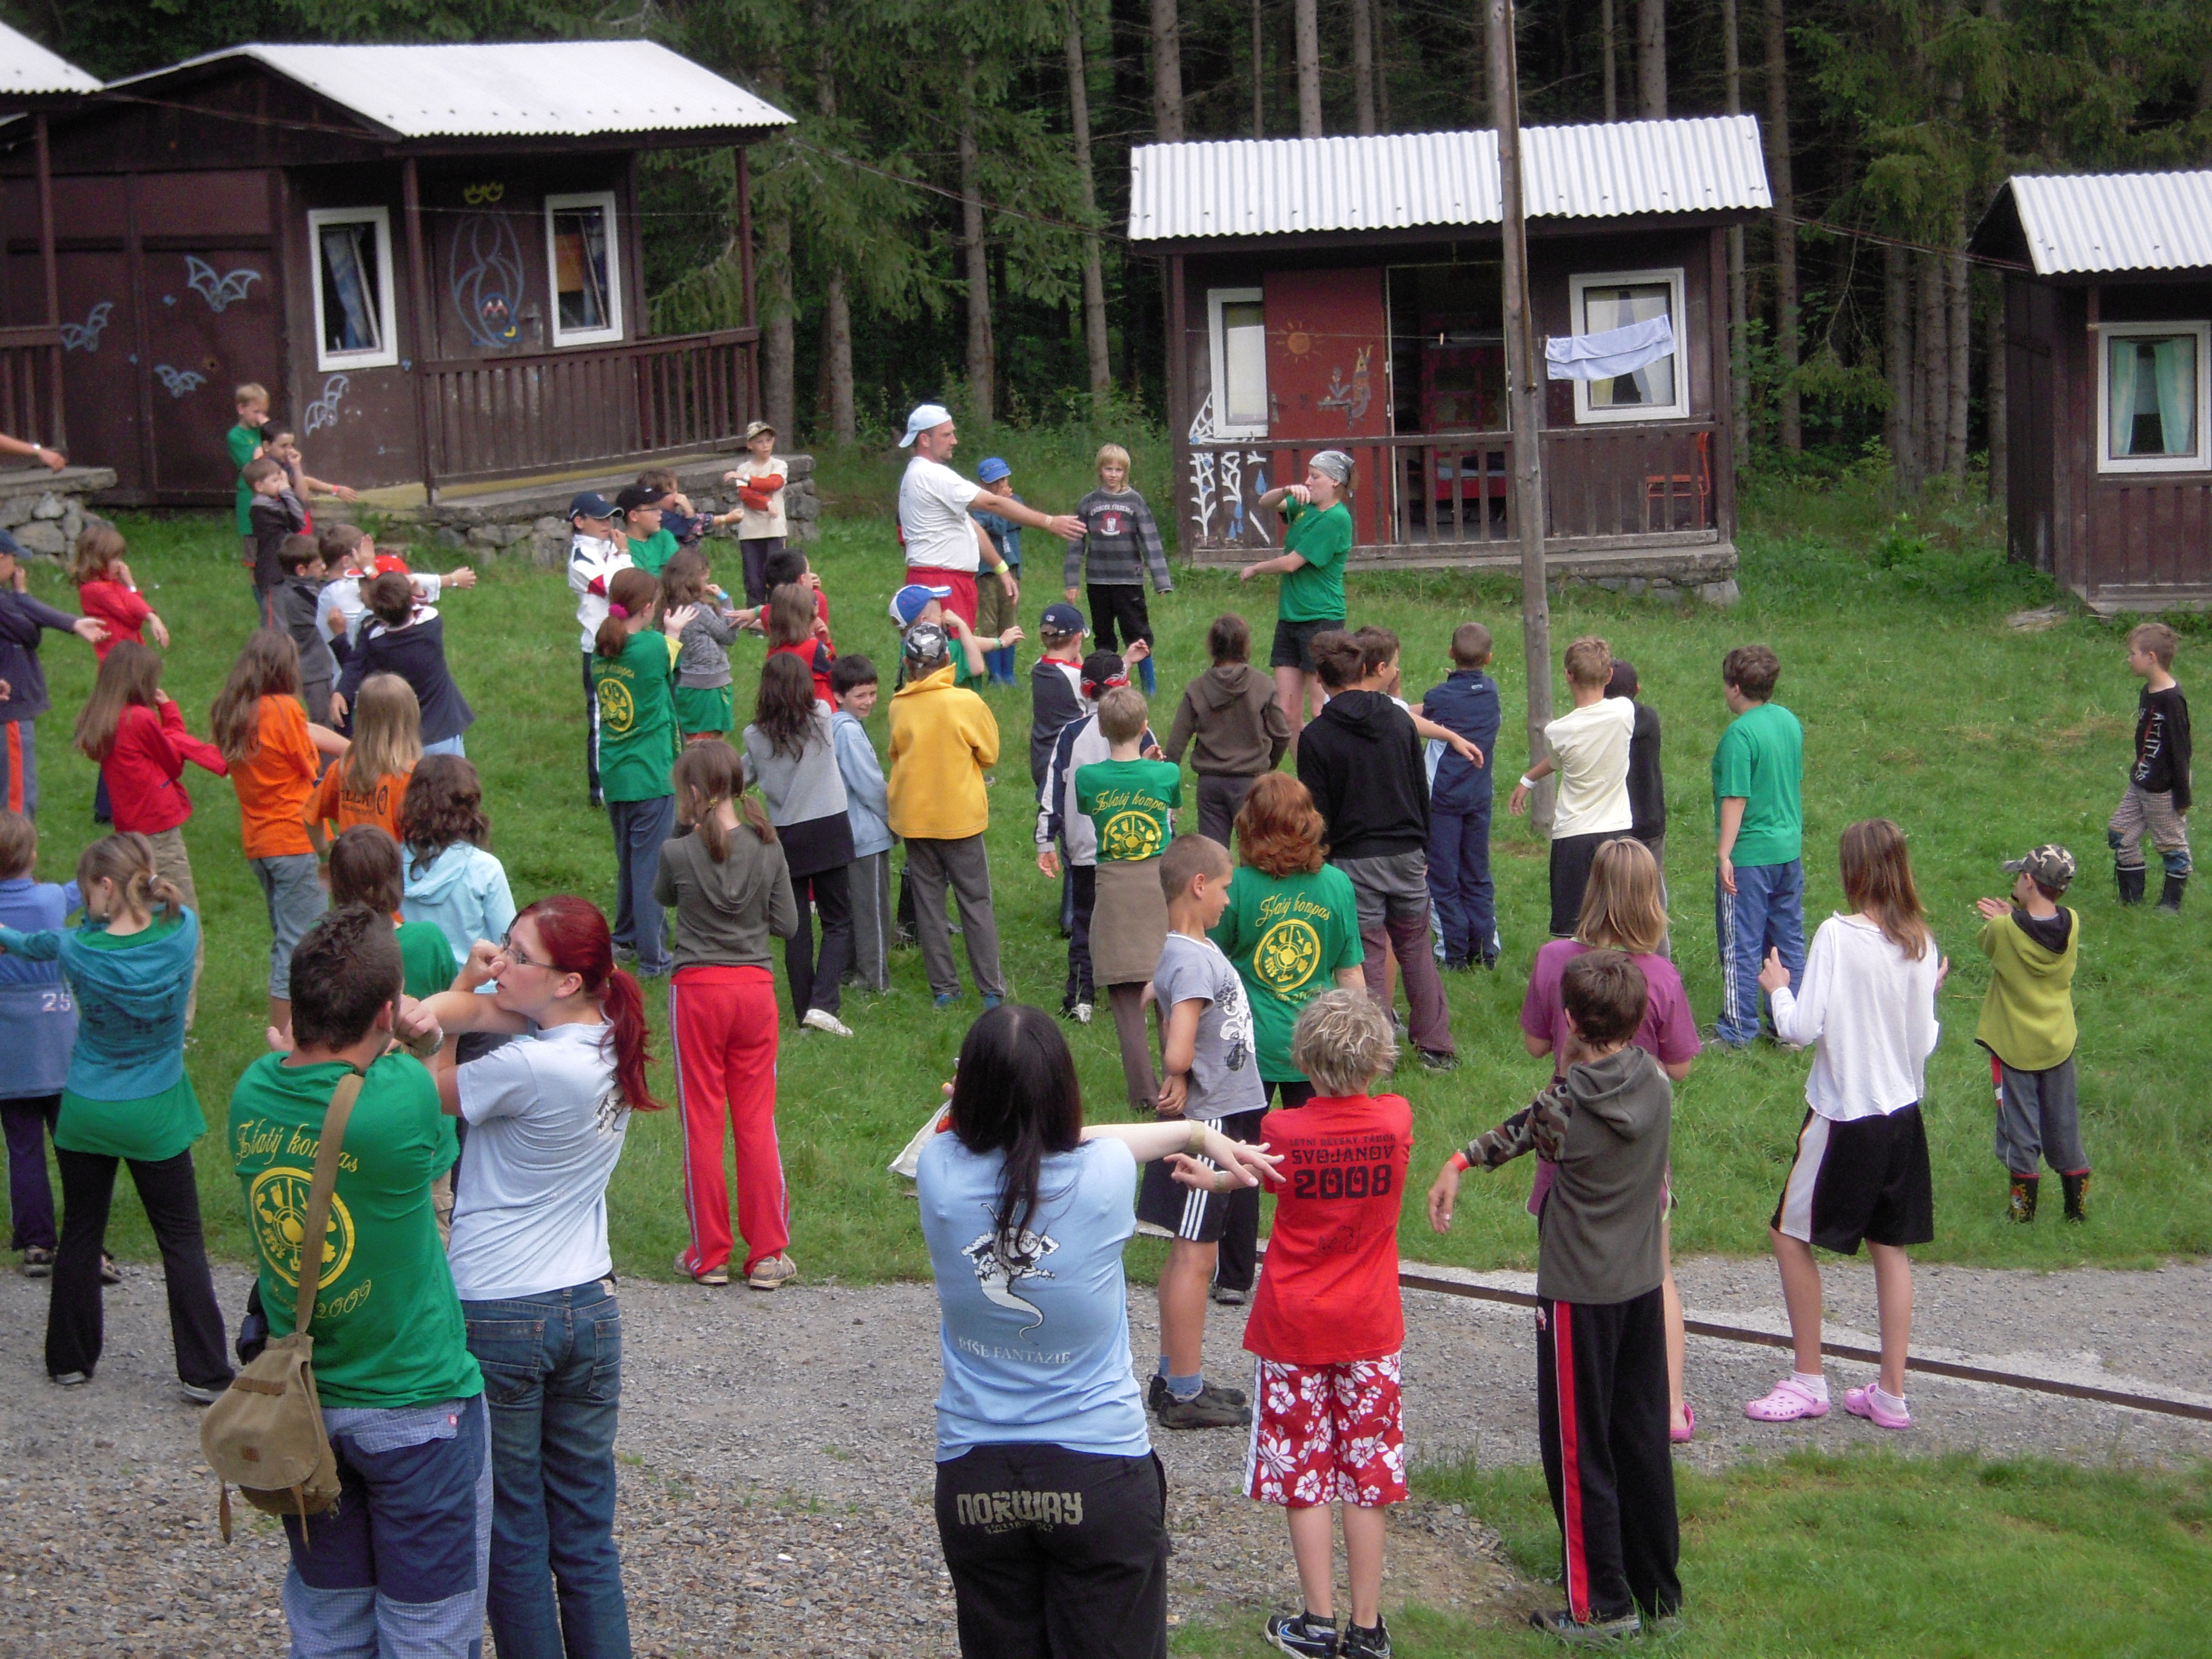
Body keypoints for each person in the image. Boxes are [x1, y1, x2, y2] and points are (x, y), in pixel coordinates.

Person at [918, 1002, 1279, 1659]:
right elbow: (1092, 1140)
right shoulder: (1103, 1174)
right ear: (1063, 1094)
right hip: (1098, 1471)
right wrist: (1196, 1133)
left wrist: (971, 1102)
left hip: (975, 1472)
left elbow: (962, 1130)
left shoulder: (937, 1173)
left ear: (969, 1097)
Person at [227, 903, 489, 1656]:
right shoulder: (399, 1097)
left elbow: (296, 1062)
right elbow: (438, 1125)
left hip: (307, 1410)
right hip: (416, 1406)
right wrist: (427, 1037)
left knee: (331, 1626)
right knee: (428, 1631)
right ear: (384, 1011)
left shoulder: (252, 1092)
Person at [414, 895, 657, 1655]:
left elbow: (427, 1090)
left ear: (565, 982)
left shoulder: (528, 1066)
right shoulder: (605, 1036)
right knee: (585, 1531)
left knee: (513, 1529)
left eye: (519, 956)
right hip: (590, 1306)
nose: (503, 961)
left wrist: (452, 1000)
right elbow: (479, 1012)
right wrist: (476, 985)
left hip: (501, 1312)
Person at [1430, 951, 1681, 1646]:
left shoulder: (1563, 1108)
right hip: (1641, 1287)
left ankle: (1601, 1606)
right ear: (1637, 1019)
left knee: (1577, 1451)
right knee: (1640, 1438)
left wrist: (1457, 1161)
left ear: (1570, 1020)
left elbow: (1518, 1132)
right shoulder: (1657, 1083)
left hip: (1577, 1298)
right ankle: (1657, 1590)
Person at [0, 833, 229, 1399]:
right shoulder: (182, 931)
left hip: (88, 1110)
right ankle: (203, 1372)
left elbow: (25, 943)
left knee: (82, 1230)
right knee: (181, 1241)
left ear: (105, 886)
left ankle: (69, 1360)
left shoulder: (77, 948)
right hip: (157, 1112)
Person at [1745, 819, 1945, 1433]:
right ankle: (1891, 1394)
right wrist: (1928, 995)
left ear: (1852, 871)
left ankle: (1808, 1380)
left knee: (1788, 1234)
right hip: (1901, 1117)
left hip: (1843, 1114)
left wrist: (1779, 989)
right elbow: (1924, 1042)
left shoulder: (1837, 934)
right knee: (1890, 1248)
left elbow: (1800, 1028)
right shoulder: (1920, 942)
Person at [1241, 988, 1411, 1659]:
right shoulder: (1395, 1120)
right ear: (1378, 1061)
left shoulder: (1283, 1131)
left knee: (1303, 1472)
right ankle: (1367, 1628)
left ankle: (1316, 1621)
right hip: (1369, 1324)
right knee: (1367, 1473)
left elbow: (1267, 1178)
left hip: (1294, 1324)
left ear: (1305, 1061)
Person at [1520, 837, 1701, 1441]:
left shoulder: (1555, 961)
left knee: (1567, 1275)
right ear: (1652, 899)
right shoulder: (1661, 975)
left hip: (1567, 1143)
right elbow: (1680, 1066)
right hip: (1640, 1155)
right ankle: (1668, 1406)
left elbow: (1536, 1044)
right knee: (1656, 1271)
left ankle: (1583, 1396)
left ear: (1590, 890)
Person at [1207, 773, 1366, 1305]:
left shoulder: (1237, 887)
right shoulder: (1337, 886)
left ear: (1249, 826)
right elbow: (1349, 972)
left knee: (1242, 1155)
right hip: (1316, 1048)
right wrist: (1360, 1047)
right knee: (1318, 1161)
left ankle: (1233, 1277)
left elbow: (1214, 962)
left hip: (1247, 1044)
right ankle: (1316, 1266)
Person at [1133, 833, 1266, 1432]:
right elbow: (1179, 1045)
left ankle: (1174, 1374)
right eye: (1226, 888)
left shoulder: (1189, 950)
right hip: (1207, 1124)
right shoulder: (1191, 959)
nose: (1229, 901)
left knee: (1190, 1252)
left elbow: (1161, 998)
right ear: (1198, 885)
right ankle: (1184, 1391)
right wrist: (1178, 1069)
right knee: (1196, 1255)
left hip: (1210, 1116)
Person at [659, 740, 801, 1290]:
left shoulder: (677, 852)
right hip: (754, 991)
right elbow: (788, 925)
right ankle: (767, 1254)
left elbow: (663, 896)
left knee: (702, 1120)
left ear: (695, 792)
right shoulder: (768, 846)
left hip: (697, 991)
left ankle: (709, 1253)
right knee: (756, 1120)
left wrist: (686, 831)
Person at [1296, 631, 1455, 1070]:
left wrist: (1320, 860)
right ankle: (1436, 1046)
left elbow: (1317, 811)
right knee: (1416, 946)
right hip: (1406, 851)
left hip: (1352, 858)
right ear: (1363, 669)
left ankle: (1375, 1050)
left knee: (1367, 954)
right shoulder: (1399, 721)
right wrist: (1424, 846)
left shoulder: (1317, 736)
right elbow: (1419, 787)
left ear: (1321, 680)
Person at [75, 640, 225, 1018]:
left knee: (139, 919)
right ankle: (179, 1020)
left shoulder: (101, 717)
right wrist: (169, 709)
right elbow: (173, 762)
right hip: (160, 832)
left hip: (129, 837)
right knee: (184, 921)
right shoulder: (140, 719)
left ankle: (135, 1002)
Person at [210, 629, 347, 1031]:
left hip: (261, 845)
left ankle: (296, 1032)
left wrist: (353, 747)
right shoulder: (284, 708)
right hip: (295, 840)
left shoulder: (235, 711)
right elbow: (309, 764)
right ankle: (289, 1039)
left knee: (286, 939)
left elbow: (302, 736)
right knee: (300, 948)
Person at [887, 620, 1007, 1008]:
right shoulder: (966, 703)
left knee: (929, 905)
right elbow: (989, 754)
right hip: (960, 819)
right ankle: (990, 990)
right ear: (946, 661)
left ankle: (944, 989)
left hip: (915, 819)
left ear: (908, 663)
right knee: (975, 902)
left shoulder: (898, 705)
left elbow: (895, 753)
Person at [1074, 685, 1179, 1112]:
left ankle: (1143, 1094)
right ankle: (1178, 1082)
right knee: (1170, 992)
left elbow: (1089, 806)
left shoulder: (1087, 777)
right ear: (1144, 727)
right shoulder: (1166, 775)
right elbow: (1168, 801)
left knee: (1125, 999)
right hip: (1158, 888)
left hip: (1114, 890)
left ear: (1101, 729)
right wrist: (1149, 767)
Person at [1975, 844, 2088, 1224]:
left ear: (2028, 880)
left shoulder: (2002, 929)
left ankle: (2022, 1214)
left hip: (2014, 1046)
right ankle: (2077, 1210)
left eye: (2018, 877)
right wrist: (2016, 917)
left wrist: (2008, 917)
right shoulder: (2072, 922)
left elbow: (1989, 943)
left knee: (2019, 1127)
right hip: (2058, 1041)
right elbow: (2038, 930)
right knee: (2064, 1123)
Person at [744, 652, 856, 1036]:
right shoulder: (821, 716)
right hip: (829, 828)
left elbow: (743, 774)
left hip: (787, 837)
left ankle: (803, 1010)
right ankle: (823, 1005)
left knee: (796, 930)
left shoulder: (754, 736)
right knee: (838, 921)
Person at [1037, 651, 1152, 1025]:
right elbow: (1160, 791)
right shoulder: (1142, 730)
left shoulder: (1071, 735)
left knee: (1086, 923)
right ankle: (1140, 994)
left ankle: (1081, 998)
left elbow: (1052, 790)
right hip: (1137, 849)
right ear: (1125, 685)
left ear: (1085, 690)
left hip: (1086, 849)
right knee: (1136, 922)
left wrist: (1045, 840)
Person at [592, 566, 694, 979]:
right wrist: (674, 631)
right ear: (649, 607)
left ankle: (625, 938)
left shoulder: (603, 647)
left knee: (630, 862)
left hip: (615, 775)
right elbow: (669, 661)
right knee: (649, 868)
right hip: (651, 775)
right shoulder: (652, 646)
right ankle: (655, 959)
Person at [896, 402, 1081, 629]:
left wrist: (1001, 568)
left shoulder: (924, 474)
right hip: (939, 580)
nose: (954, 441)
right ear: (925, 440)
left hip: (947, 579)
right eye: (946, 435)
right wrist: (1049, 522)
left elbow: (971, 526)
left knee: (958, 647)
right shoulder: (930, 474)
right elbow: (992, 502)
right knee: (946, 648)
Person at [1711, 643, 1806, 1048]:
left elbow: (1736, 798)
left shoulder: (1740, 735)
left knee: (1741, 943)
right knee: (1787, 938)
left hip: (1750, 856)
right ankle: (1791, 1026)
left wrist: (1725, 854)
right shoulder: (1788, 721)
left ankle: (1738, 1029)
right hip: (1788, 850)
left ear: (1735, 688)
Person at [1509, 635, 1635, 940]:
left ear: (1568, 675)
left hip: (1573, 836)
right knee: (1617, 926)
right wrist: (1529, 778)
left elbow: (1558, 760)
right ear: (1609, 676)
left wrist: (1528, 779)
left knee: (1574, 932)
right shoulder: (1624, 712)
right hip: (1617, 833)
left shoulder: (1558, 731)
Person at [0, 809, 74, 1278]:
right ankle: (85, 1234)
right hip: (58, 1037)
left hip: (8, 1045)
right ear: (31, 855)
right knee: (74, 1144)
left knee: (22, 1146)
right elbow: (85, 887)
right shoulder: (50, 898)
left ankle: (36, 1241)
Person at [1241, 452, 1355, 743]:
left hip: (1321, 620)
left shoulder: (1336, 518)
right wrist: (1286, 490)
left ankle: (1331, 767)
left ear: (1335, 482)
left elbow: (1292, 563)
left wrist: (1256, 568)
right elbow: (1265, 502)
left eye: (1315, 476)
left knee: (1320, 710)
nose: (1308, 481)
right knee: (1287, 713)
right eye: (1308, 475)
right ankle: (1305, 771)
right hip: (1290, 618)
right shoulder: (1305, 505)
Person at [0, 534, 109, 816]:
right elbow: (28, 633)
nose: (17, 566)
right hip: (10, 707)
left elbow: (24, 619)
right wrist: (23, 599)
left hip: (11, 706)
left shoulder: (6, 598)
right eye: (13, 558)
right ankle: (16, 844)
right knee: (17, 796)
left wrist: (71, 623)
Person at [1162, 613, 1290, 845]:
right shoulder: (1263, 685)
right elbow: (1281, 734)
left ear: (1212, 646)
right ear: (1245, 645)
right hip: (1251, 782)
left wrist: (1167, 791)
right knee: (1256, 854)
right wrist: (1268, 764)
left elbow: (1175, 746)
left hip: (1210, 783)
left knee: (1213, 856)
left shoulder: (1197, 689)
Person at [1421, 622, 1503, 970]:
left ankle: (1453, 953)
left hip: (1442, 800)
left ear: (1451, 653)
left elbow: (1415, 717)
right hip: (1478, 798)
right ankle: (1486, 950)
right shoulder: (1491, 692)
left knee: (1442, 876)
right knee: (1477, 873)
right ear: (1489, 658)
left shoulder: (1439, 697)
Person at [1065, 444, 1173, 696]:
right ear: (1099, 470)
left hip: (1129, 581)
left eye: (1118, 470)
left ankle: (1149, 687)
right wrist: (1072, 582)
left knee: (1137, 633)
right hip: (1098, 581)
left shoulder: (1135, 502)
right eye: (1108, 469)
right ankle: (1106, 682)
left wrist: (1162, 581)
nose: (1113, 474)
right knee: (1103, 635)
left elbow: (1151, 541)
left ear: (1125, 472)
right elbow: (1075, 545)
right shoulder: (1088, 503)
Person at [335, 571, 474, 757]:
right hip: (443, 732)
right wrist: (417, 590)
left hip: (403, 740)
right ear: (411, 601)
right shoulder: (432, 625)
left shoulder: (375, 641)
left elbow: (357, 662)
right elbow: (424, 607)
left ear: (378, 614)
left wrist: (341, 691)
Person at [400, 754, 517, 970]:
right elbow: (509, 945)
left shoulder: (394, 862)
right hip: (477, 985)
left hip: (417, 982)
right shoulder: (486, 869)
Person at [2110, 620, 2191, 912]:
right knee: (2119, 835)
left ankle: (2170, 904)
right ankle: (2131, 902)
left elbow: (2181, 751)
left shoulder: (2172, 699)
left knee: (2172, 848)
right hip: (2141, 781)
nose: (2129, 659)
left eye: (2133, 653)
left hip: (2163, 790)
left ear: (2151, 657)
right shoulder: (2148, 692)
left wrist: (2183, 797)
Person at [330, 824, 459, 1001]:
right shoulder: (427, 940)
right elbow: (453, 1004)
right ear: (396, 879)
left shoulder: (322, 940)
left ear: (336, 884)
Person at [830, 654, 894, 995]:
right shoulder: (849, 732)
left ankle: (849, 972)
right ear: (839, 696)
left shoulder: (836, 725)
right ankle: (875, 980)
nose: (869, 701)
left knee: (854, 910)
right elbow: (869, 785)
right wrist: (893, 820)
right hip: (867, 835)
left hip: (847, 834)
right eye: (860, 695)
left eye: (872, 693)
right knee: (874, 912)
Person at [566, 491, 634, 808]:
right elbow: (619, 588)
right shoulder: (581, 559)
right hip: (597, 645)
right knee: (601, 718)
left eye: (610, 517)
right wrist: (624, 555)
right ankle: (601, 792)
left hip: (624, 638)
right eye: (600, 519)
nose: (608, 524)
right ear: (579, 522)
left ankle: (625, 776)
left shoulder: (609, 548)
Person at [306, 672, 421, 846]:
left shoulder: (343, 768)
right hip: (392, 863)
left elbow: (310, 817)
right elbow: (422, 841)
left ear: (360, 718)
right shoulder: (409, 777)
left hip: (351, 861)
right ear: (410, 717)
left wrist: (325, 852)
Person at [319, 522, 474, 649]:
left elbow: (401, 581)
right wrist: (369, 570)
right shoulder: (340, 592)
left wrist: (449, 579)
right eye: (364, 554)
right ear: (346, 562)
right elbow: (390, 588)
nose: (369, 558)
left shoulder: (345, 587)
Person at [666, 549, 751, 740]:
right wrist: (725, 599)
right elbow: (729, 636)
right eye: (704, 577)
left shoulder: (674, 605)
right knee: (710, 741)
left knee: (697, 739)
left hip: (691, 683)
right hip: (708, 686)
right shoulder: (698, 610)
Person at [270, 535, 341, 733]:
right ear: (301, 570)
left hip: (315, 668)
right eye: (319, 565)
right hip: (316, 670)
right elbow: (331, 603)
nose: (324, 569)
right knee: (325, 722)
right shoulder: (302, 593)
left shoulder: (296, 588)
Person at [71, 521, 170, 660]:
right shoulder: (96, 590)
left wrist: (152, 617)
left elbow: (130, 600)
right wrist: (131, 586)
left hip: (127, 653)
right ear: (98, 560)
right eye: (115, 559)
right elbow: (131, 619)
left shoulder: (109, 584)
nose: (120, 564)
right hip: (118, 658)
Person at [720, 419, 788, 605]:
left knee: (777, 577)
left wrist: (746, 479)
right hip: (750, 532)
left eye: (769, 440)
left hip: (774, 530)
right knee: (754, 579)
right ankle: (755, 615)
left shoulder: (779, 465)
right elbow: (747, 496)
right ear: (750, 445)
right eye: (760, 442)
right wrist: (767, 503)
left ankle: (777, 613)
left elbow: (773, 483)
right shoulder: (744, 468)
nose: (765, 446)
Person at [973, 456, 1025, 686]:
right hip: (987, 572)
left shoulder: (1016, 501)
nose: (1002, 485)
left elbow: (1008, 523)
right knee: (989, 621)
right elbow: (998, 526)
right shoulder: (976, 507)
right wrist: (1002, 506)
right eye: (995, 482)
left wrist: (1001, 508)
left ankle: (1008, 674)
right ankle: (994, 675)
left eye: (1004, 480)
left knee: (1009, 619)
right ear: (983, 485)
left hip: (1011, 569)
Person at [1028, 602, 1090, 789]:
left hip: (1041, 756)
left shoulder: (1039, 667)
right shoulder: (1076, 677)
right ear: (1077, 639)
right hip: (1066, 761)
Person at [244, 456, 306, 622]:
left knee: (287, 617)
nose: (280, 484)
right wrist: (287, 492)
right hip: (272, 572)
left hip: (282, 569)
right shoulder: (261, 509)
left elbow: (299, 520)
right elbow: (298, 520)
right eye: (275, 480)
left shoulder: (275, 504)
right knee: (275, 620)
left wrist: (286, 493)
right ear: (259, 486)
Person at [765, 581, 837, 707]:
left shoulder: (773, 652)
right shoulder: (814, 647)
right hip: (820, 711)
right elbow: (837, 671)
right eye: (814, 617)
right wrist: (827, 643)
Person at [227, 381, 271, 574]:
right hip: (250, 496)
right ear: (241, 409)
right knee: (254, 557)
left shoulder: (263, 430)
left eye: (264, 412)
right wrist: (263, 449)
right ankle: (258, 590)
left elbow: (280, 440)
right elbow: (252, 465)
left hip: (269, 493)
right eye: (256, 412)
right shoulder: (236, 436)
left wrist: (269, 428)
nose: (260, 418)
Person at [617, 484, 679, 578]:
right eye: (653, 509)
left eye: (659, 507)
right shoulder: (624, 546)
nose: (660, 512)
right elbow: (643, 582)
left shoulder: (665, 536)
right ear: (634, 516)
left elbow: (678, 571)